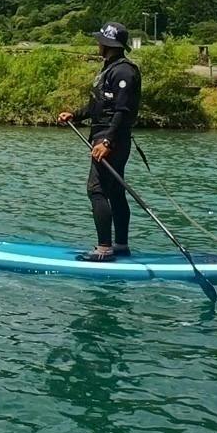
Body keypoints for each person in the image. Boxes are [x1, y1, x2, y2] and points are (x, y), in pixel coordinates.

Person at [59, 22, 142, 261]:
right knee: (115, 191)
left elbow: (122, 110)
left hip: (111, 139)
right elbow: (98, 106)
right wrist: (75, 114)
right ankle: (121, 246)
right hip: (106, 136)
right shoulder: (110, 68)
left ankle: (104, 250)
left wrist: (106, 141)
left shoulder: (124, 71)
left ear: (108, 44)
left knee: (96, 190)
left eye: (100, 41)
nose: (97, 44)